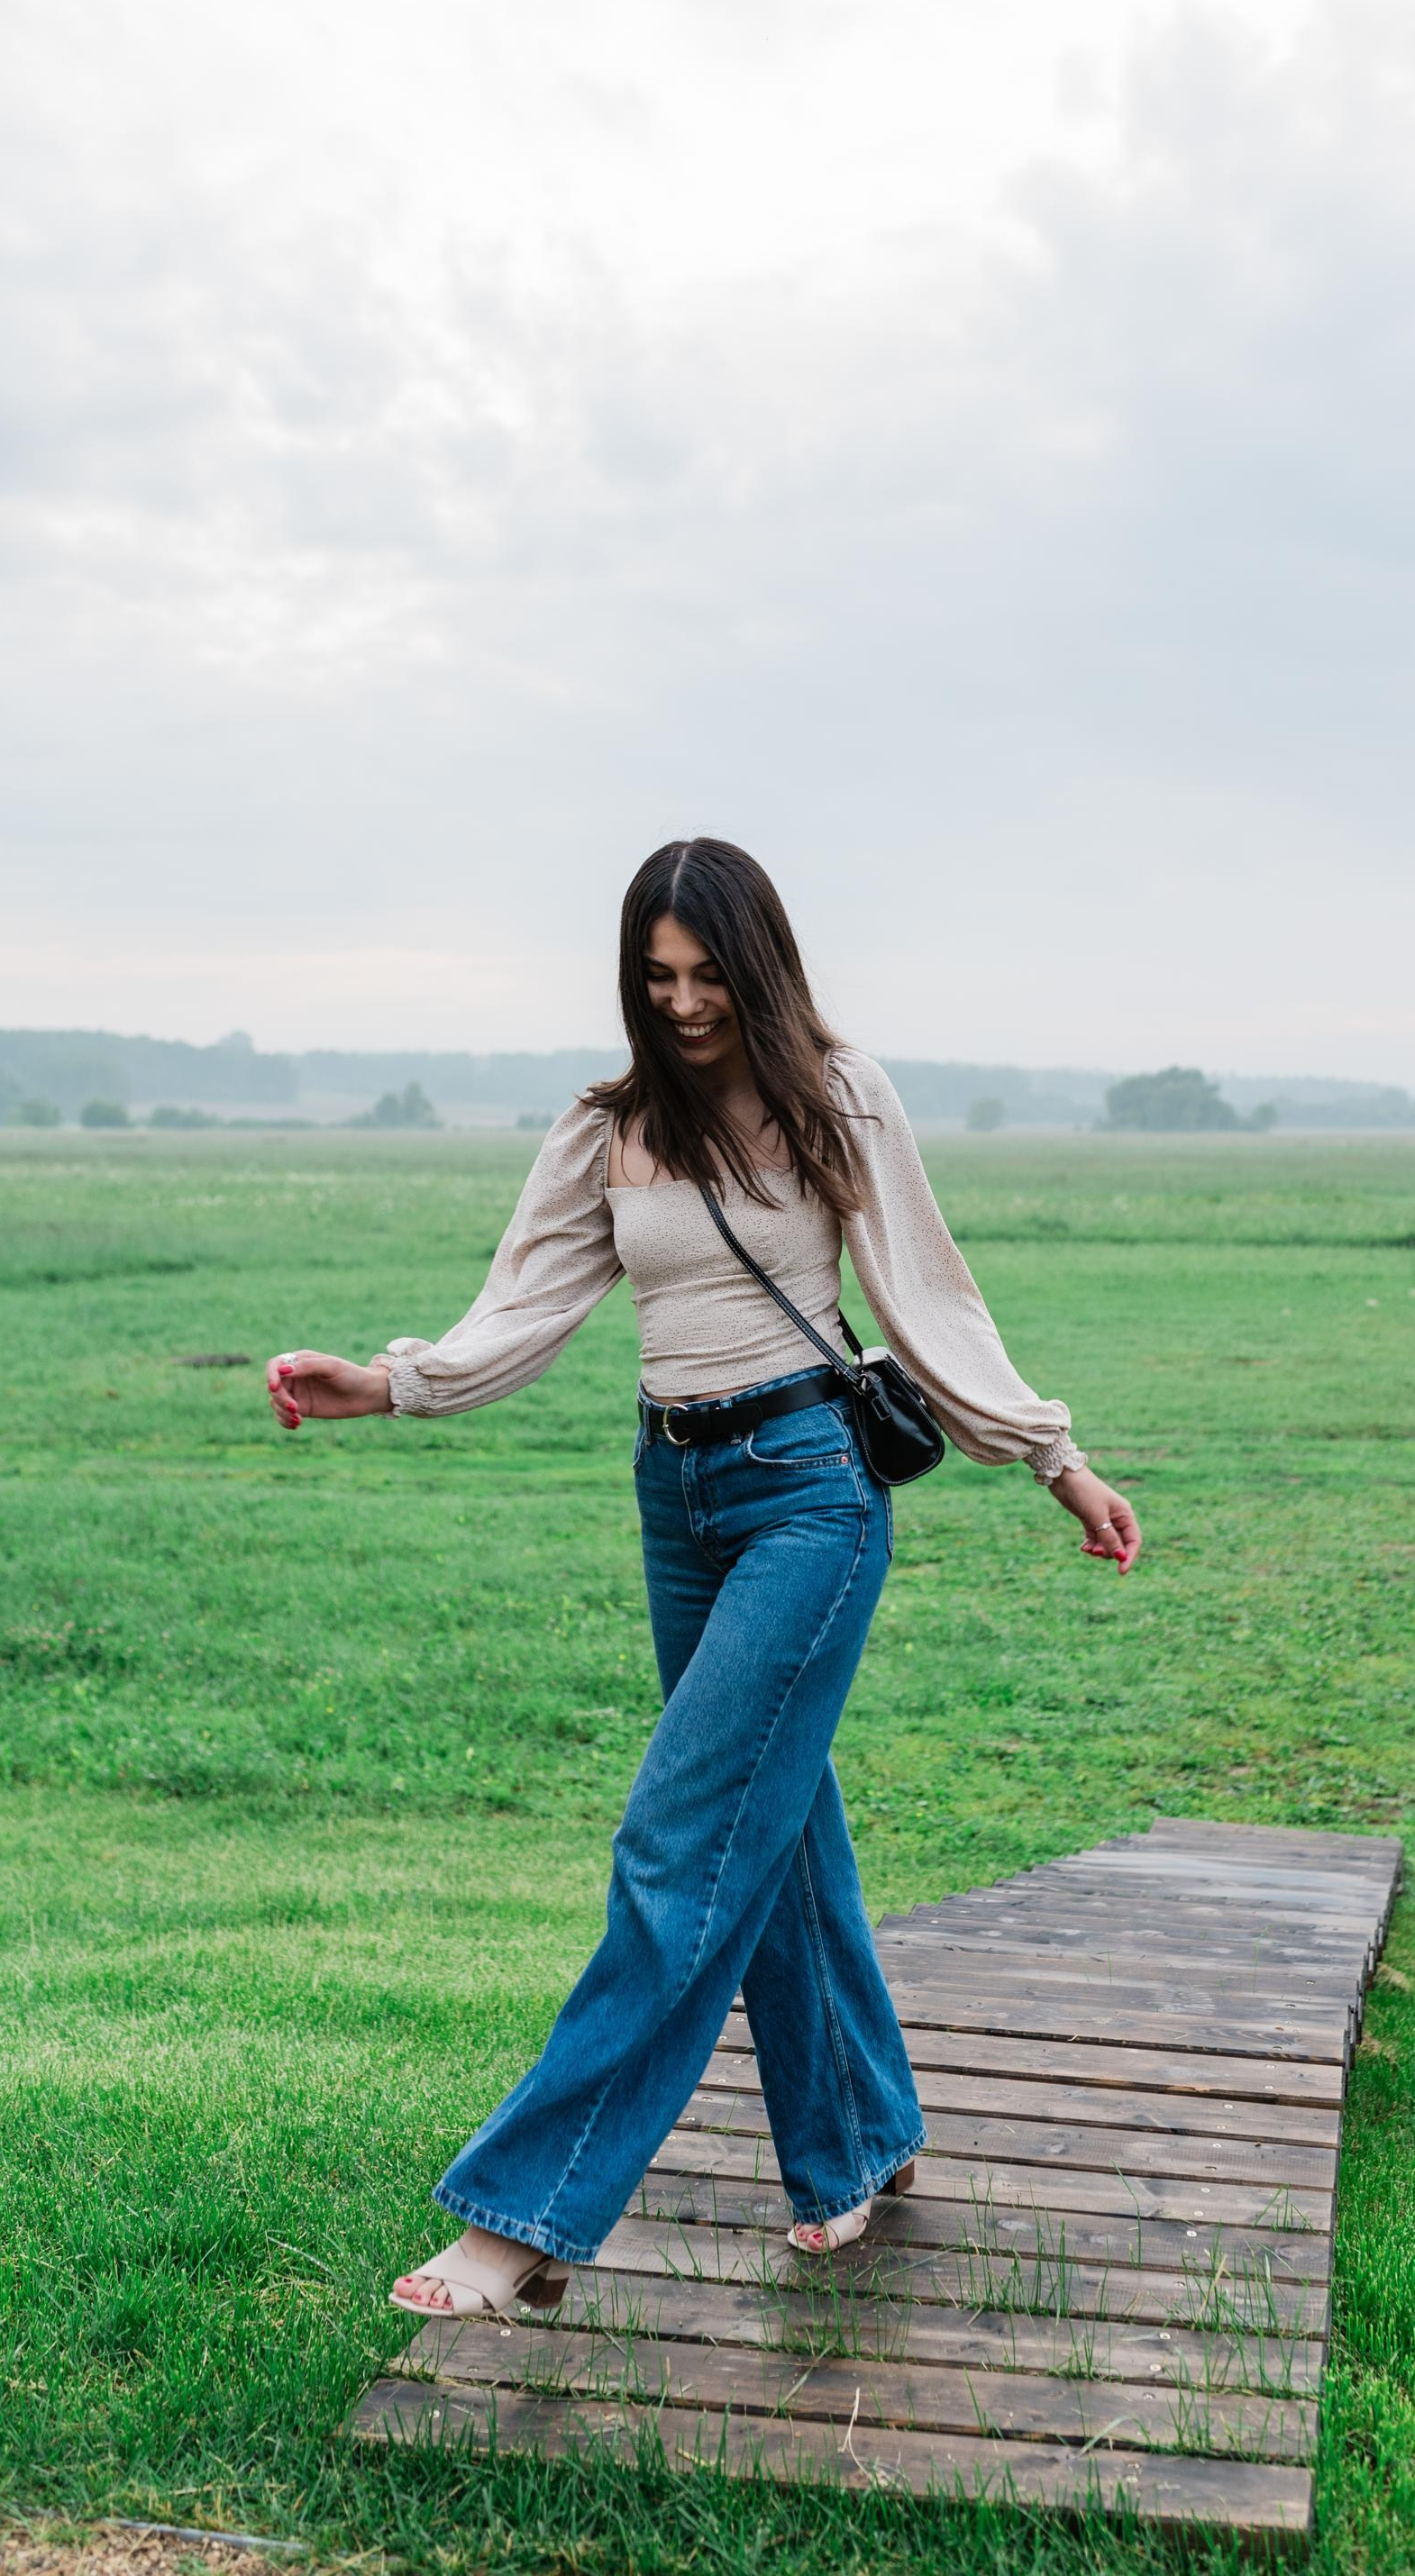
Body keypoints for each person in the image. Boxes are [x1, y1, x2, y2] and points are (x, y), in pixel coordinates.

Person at [266, 837, 1139, 2321]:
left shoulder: (838, 1096)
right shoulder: (610, 1124)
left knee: (681, 1840)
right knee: (773, 1823)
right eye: (655, 977)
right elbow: (524, 1303)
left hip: (813, 1495)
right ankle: (858, 2144)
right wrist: (388, 1384)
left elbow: (928, 1294)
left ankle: (525, 2216)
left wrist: (1053, 1457)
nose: (681, 1004)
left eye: (707, 974)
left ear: (761, 961)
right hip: (676, 1492)